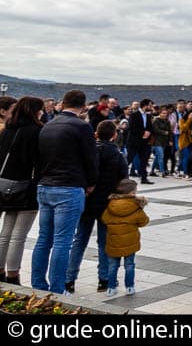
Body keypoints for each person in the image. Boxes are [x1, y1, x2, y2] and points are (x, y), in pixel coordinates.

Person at [31, 89, 99, 294]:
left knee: (44, 239)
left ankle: (38, 284)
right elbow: (90, 157)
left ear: (62, 104)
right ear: (83, 106)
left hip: (45, 186)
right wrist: (92, 182)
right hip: (69, 187)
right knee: (63, 240)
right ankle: (58, 287)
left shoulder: (48, 125)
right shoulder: (81, 126)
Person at [65, 120, 129, 294]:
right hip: (108, 203)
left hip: (87, 201)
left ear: (96, 134)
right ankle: (104, 280)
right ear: (114, 135)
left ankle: (69, 280)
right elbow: (124, 181)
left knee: (79, 240)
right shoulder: (117, 154)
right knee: (104, 243)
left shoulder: (87, 151)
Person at [0, 97, 42, 286]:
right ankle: (12, 274)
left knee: (5, 232)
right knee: (18, 236)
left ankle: (0, 269)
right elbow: (38, 162)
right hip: (26, 187)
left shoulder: (8, 129)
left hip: (4, 185)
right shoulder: (36, 131)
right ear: (34, 111)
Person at [101, 178, 149, 296]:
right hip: (130, 242)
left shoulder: (110, 205)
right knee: (129, 265)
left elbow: (104, 219)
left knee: (112, 266)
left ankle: (111, 288)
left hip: (114, 241)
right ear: (132, 193)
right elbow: (144, 222)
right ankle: (129, 287)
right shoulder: (135, 206)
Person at [127, 99, 154, 185]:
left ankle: (144, 177)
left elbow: (150, 127)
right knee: (129, 159)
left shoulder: (148, 116)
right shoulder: (134, 115)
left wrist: (148, 133)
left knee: (144, 159)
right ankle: (120, 176)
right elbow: (132, 127)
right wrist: (143, 133)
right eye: (149, 105)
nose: (150, 107)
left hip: (144, 141)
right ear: (145, 105)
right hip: (134, 141)